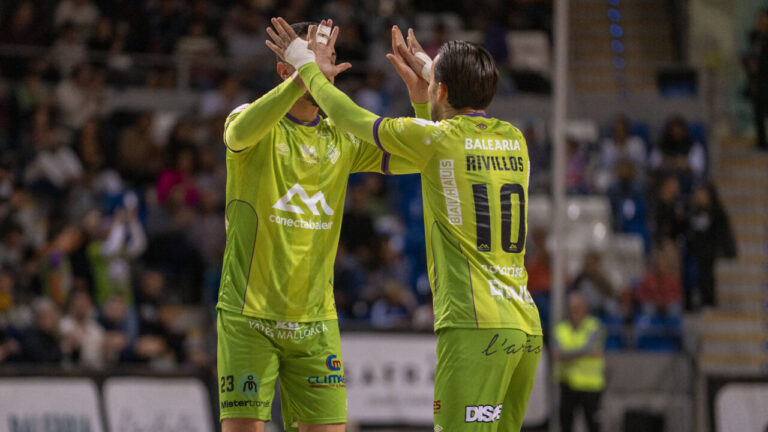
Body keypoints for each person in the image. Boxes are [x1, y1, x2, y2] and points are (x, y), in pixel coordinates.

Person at [267, 19, 542, 430]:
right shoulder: (515, 138)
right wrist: (430, 86)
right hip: (525, 327)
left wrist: (305, 65)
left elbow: (349, 116)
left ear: (443, 91)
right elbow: (447, 154)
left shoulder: (438, 140)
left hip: (475, 325)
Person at [217, 21, 427, 432]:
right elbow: (237, 134)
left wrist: (422, 103)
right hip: (249, 317)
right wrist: (302, 78)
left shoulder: (342, 138)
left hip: (315, 323)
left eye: (328, 58)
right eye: (313, 59)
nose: (325, 69)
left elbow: (421, 157)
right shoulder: (251, 120)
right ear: (287, 69)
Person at [553, 292, 606, 432]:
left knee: (593, 425)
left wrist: (566, 354)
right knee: (565, 424)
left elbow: (590, 348)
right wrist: (583, 353)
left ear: (585, 308)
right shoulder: (560, 328)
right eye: (571, 307)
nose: (574, 310)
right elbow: (556, 352)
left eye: (578, 306)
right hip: (567, 384)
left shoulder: (595, 326)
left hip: (591, 386)